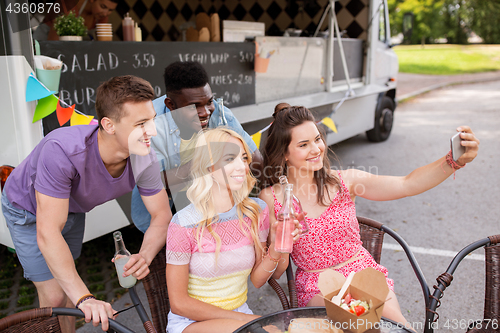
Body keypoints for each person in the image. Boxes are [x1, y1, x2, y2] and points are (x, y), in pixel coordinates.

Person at [258, 103, 479, 327]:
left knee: (396, 324)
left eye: (317, 139)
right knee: (357, 323)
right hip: (318, 285)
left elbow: (407, 184)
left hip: (362, 273)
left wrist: (453, 161)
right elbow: (276, 274)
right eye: (304, 144)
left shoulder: (345, 181)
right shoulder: (273, 199)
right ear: (284, 153)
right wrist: (280, 245)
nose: (316, 149)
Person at [1, 75, 172, 332]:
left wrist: (144, 256)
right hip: (27, 211)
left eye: (152, 120)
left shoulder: (143, 155)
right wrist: (87, 297)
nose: (153, 131)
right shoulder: (62, 150)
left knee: (69, 287)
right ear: (109, 125)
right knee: (57, 297)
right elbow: (48, 232)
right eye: (141, 124)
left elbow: (161, 216)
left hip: (70, 209)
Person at [165, 127, 298, 333]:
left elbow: (257, 280)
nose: (242, 166)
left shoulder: (256, 211)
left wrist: (277, 248)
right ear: (208, 166)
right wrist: (247, 319)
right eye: (229, 159)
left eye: (244, 158)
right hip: (190, 323)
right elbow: (179, 303)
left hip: (239, 317)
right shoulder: (183, 223)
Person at [131, 61, 263, 233]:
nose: (205, 112)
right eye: (194, 107)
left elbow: (257, 161)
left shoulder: (220, 115)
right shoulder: (150, 125)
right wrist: (206, 161)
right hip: (163, 216)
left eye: (209, 101)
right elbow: (153, 184)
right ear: (171, 105)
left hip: (211, 211)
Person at [33, 0, 118, 41]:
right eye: (103, 7)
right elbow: (53, 41)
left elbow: (104, 44)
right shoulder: (69, 4)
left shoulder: (101, 15)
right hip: (44, 41)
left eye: (110, 10)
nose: (106, 13)